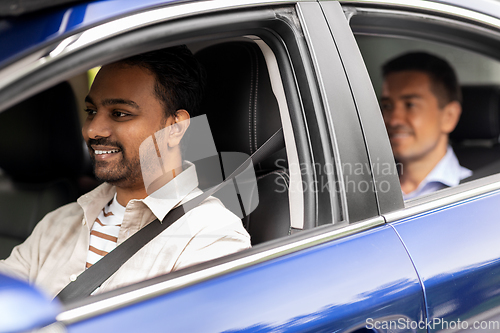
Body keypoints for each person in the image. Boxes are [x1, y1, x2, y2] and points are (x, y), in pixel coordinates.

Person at [0, 46, 251, 298]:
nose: (92, 130)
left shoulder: (210, 237)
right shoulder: (59, 222)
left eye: (119, 113)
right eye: (91, 111)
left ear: (174, 128)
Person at [380, 52, 472, 200]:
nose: (393, 120)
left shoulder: (481, 194)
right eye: (387, 106)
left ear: (449, 116)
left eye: (410, 105)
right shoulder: (367, 190)